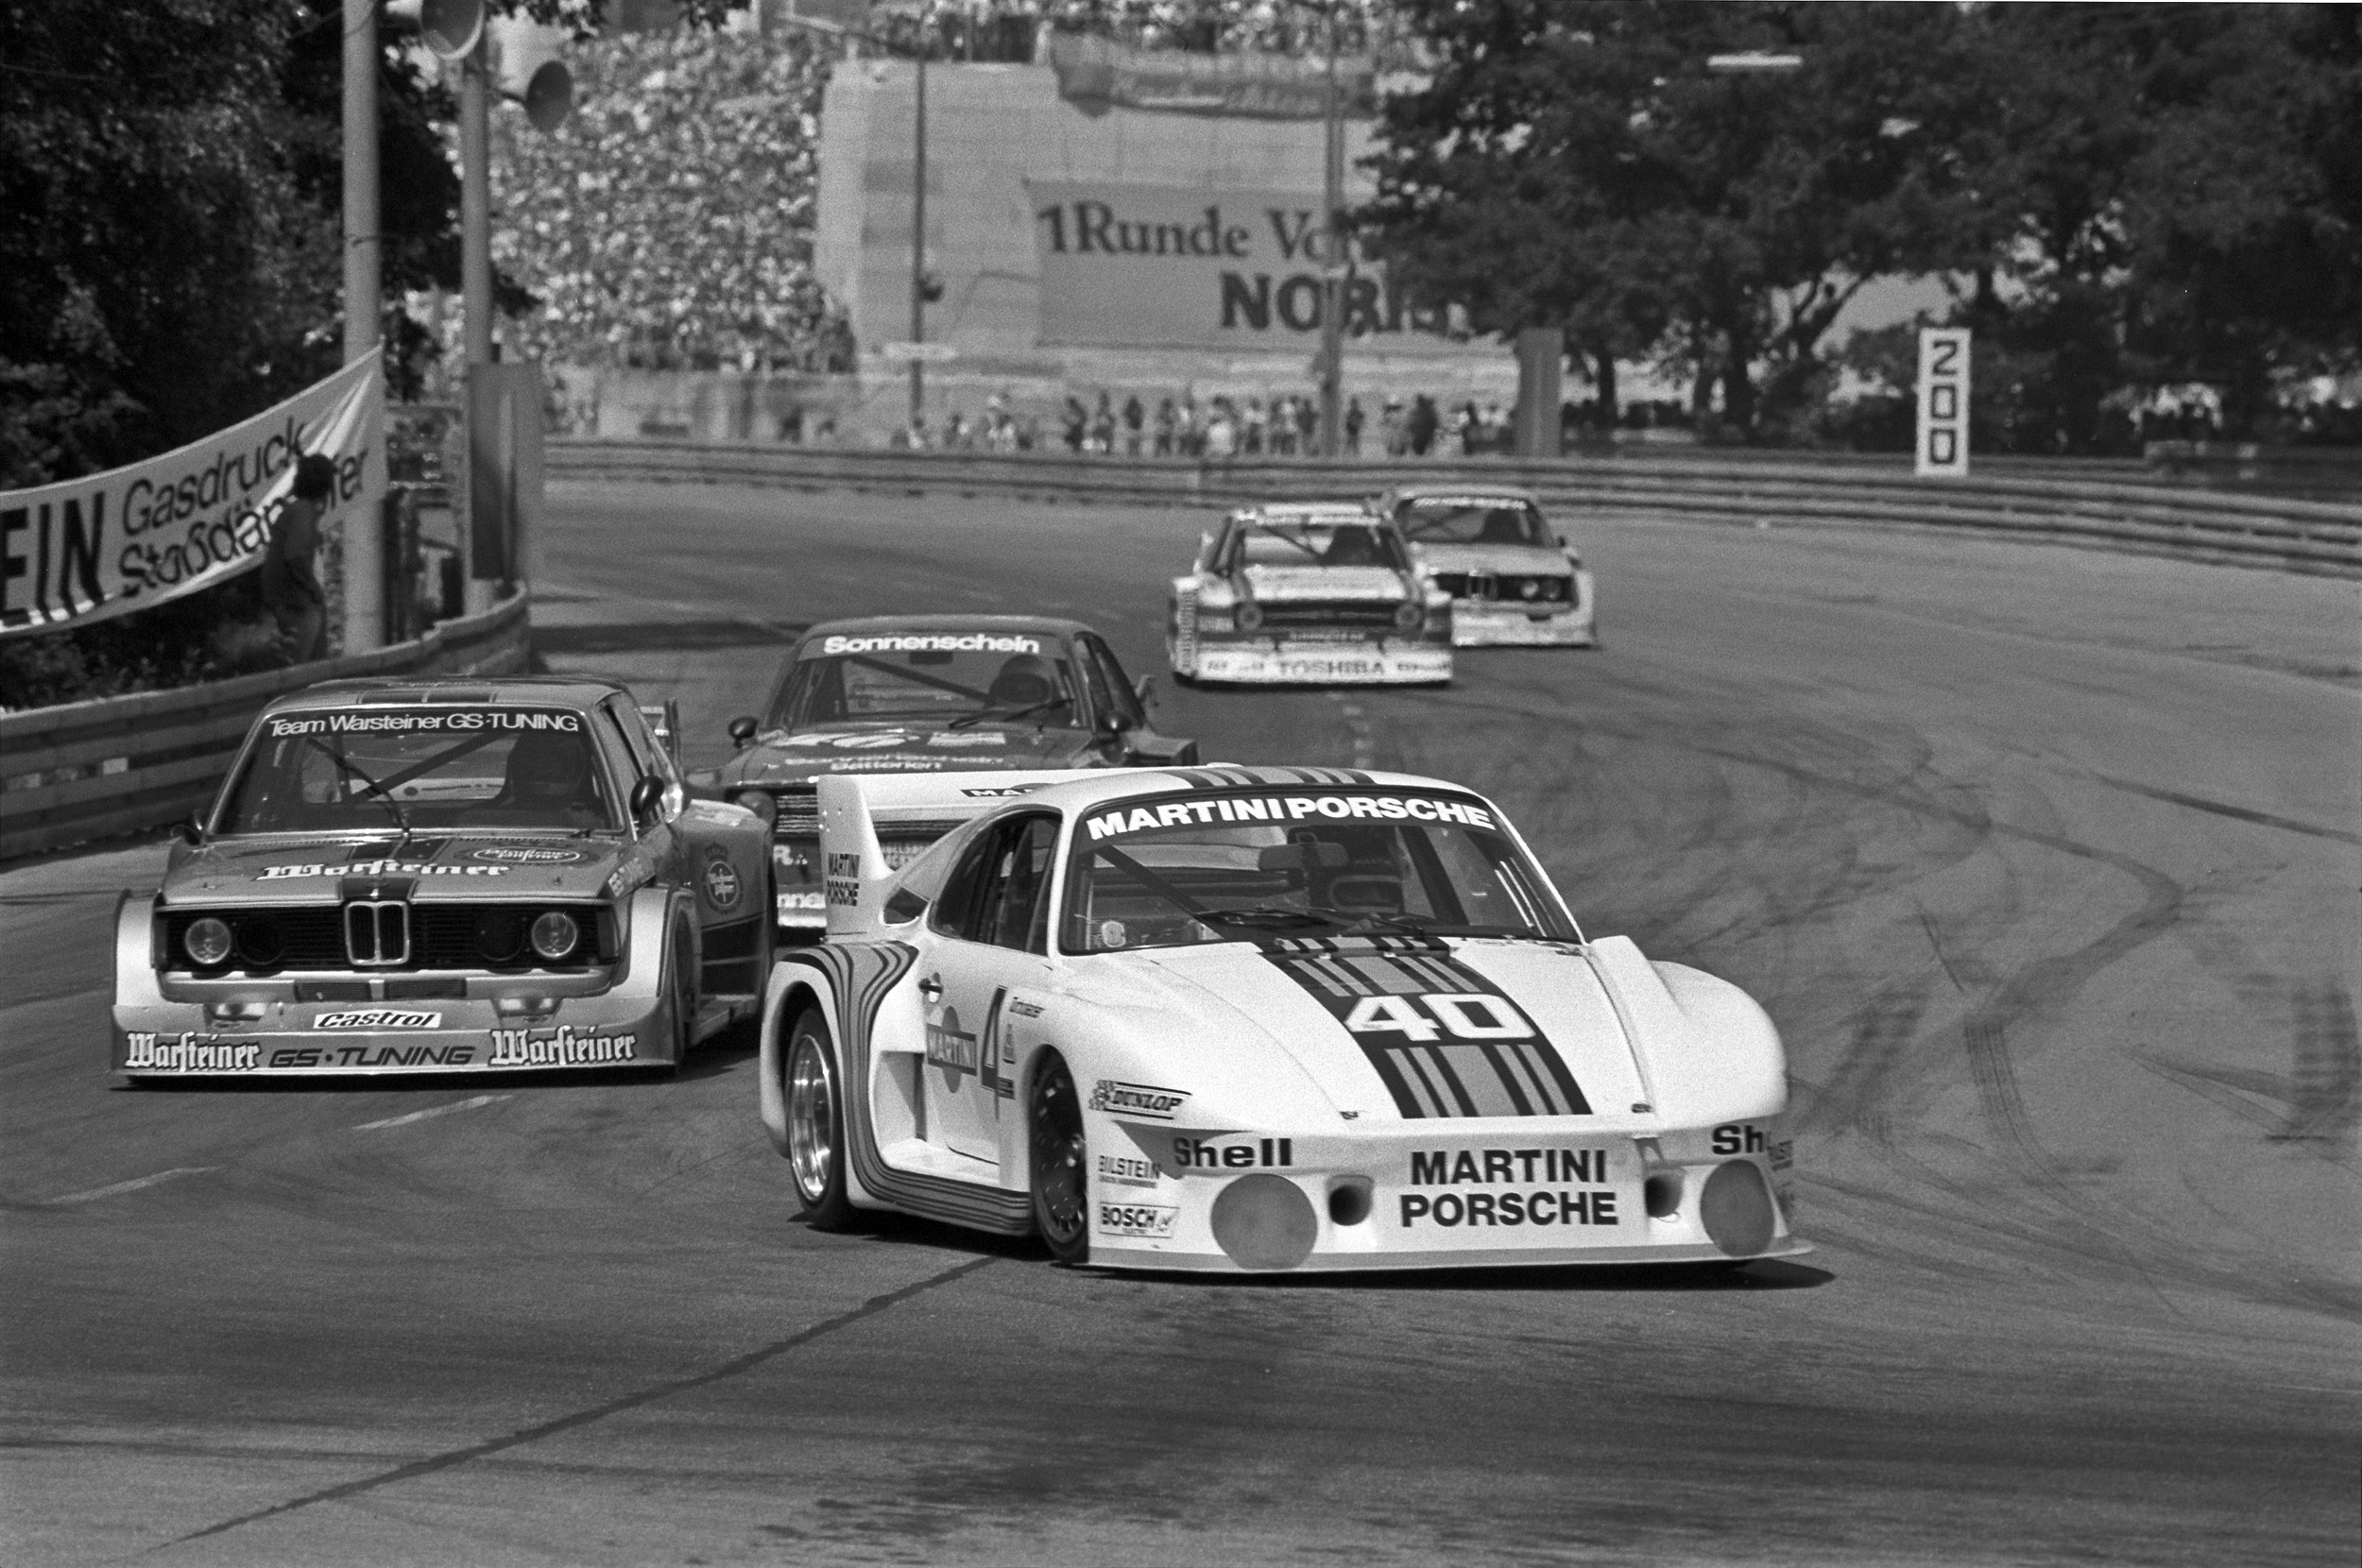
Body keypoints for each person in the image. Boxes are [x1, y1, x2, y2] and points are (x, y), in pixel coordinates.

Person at [262, 453, 334, 664]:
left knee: (304, 665)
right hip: (297, 604)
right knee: (305, 670)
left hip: (287, 601)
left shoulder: (295, 510)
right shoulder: (303, 511)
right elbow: (296, 555)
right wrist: (314, 589)